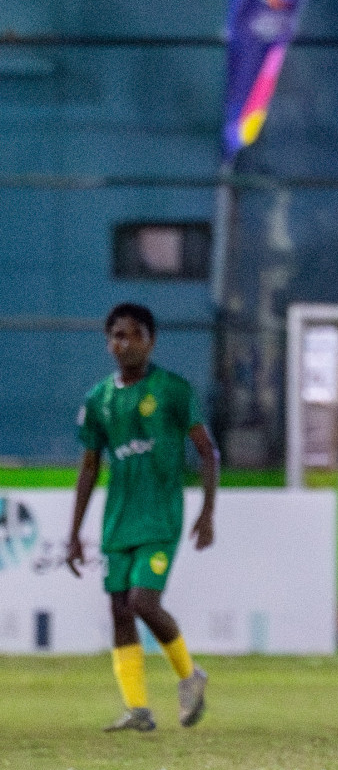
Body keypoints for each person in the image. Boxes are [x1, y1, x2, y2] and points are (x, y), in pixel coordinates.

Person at [66, 303, 219, 732]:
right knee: (119, 609)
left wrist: (207, 512)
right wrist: (74, 533)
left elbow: (209, 452)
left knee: (141, 601)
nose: (123, 343)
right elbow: (90, 467)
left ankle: (191, 678)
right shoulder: (99, 399)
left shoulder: (172, 390)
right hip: (118, 522)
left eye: (132, 334)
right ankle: (138, 710)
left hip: (160, 519)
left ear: (150, 341)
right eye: (116, 335)